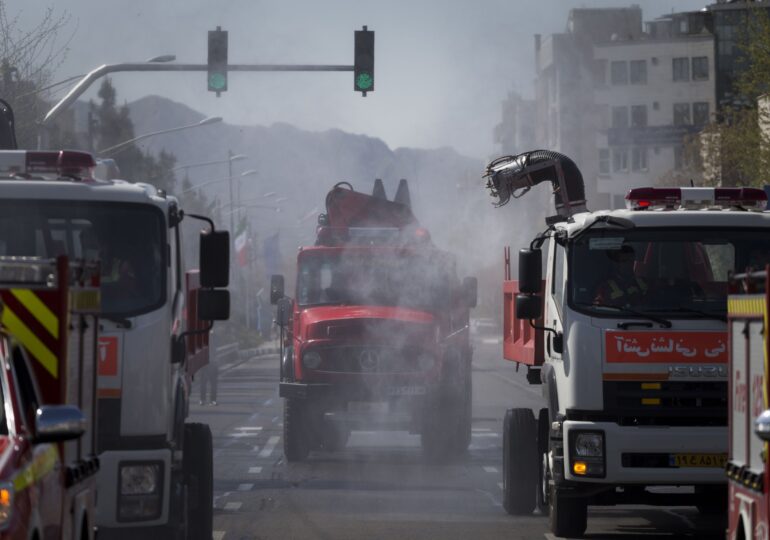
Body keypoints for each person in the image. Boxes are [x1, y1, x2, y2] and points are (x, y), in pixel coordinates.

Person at [199, 326, 221, 406]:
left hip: (210, 362)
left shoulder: (212, 337)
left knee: (211, 383)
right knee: (205, 383)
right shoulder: (204, 337)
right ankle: (205, 400)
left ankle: (210, 400)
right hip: (206, 363)